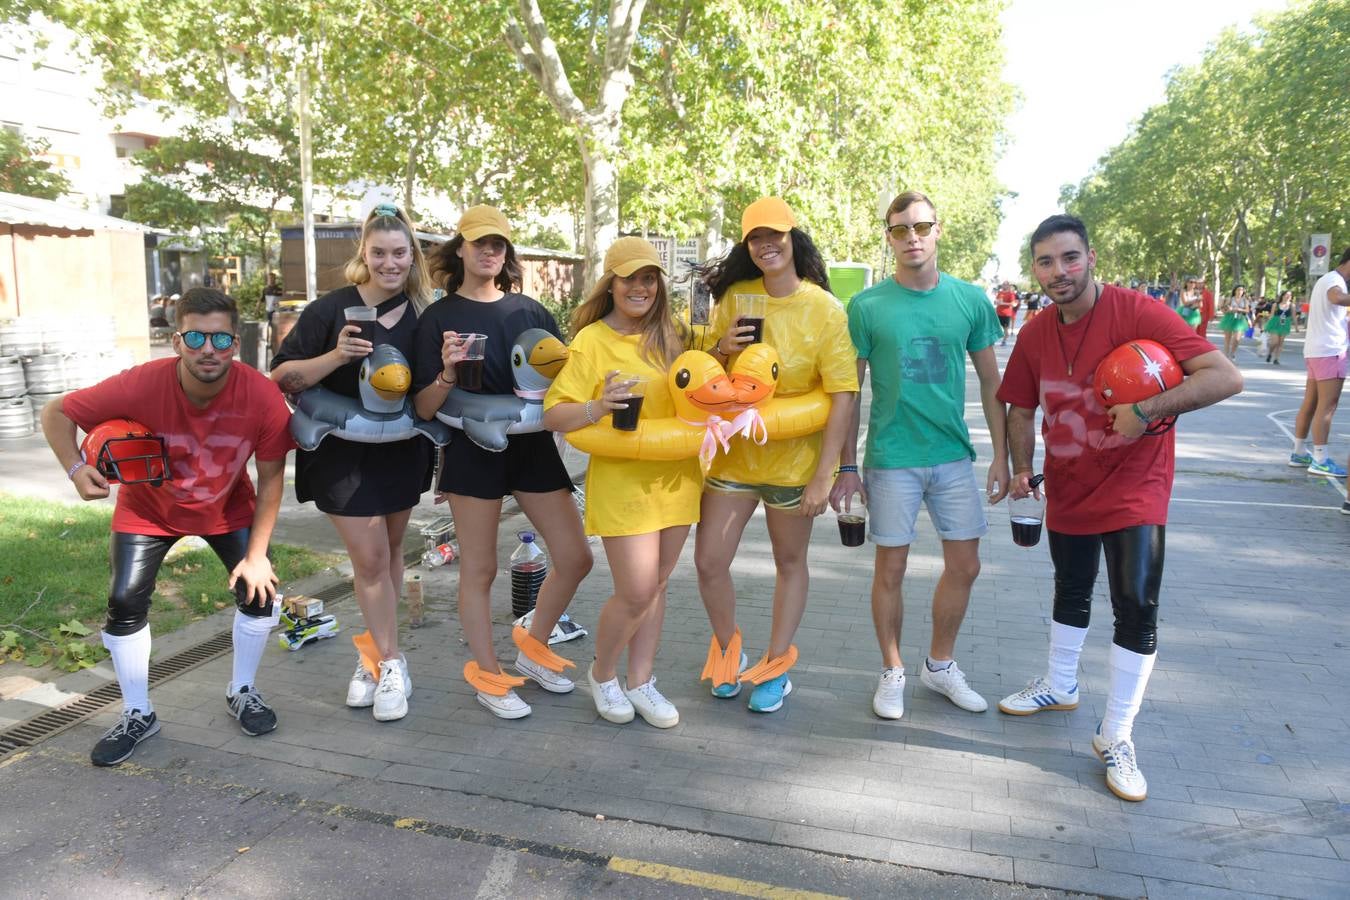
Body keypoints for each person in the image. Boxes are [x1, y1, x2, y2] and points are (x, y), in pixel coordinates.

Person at [996, 215, 1241, 802]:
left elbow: (1225, 376)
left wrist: (1149, 408)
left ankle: (1118, 733)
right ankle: (1059, 685)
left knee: (1135, 602)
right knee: (1070, 587)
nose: (1059, 272)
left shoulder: (1137, 312)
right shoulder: (1034, 333)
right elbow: (1021, 409)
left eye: (1070, 258)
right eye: (1046, 262)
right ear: (1035, 269)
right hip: (1070, 484)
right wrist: (1020, 468)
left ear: (1091, 257)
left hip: (1137, 485)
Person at [39, 288, 294, 766]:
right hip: (149, 510)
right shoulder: (140, 384)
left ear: (235, 343)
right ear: (177, 341)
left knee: (262, 592)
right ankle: (138, 712)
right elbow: (56, 413)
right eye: (195, 337)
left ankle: (242, 690)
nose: (208, 350)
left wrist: (257, 556)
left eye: (220, 339)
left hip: (228, 508)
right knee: (124, 601)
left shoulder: (261, 395)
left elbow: (273, 478)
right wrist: (76, 470)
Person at [830, 190, 1009, 721]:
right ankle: (892, 671)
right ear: (888, 237)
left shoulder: (970, 301)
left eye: (921, 227)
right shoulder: (866, 306)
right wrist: (845, 467)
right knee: (892, 567)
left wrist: (1003, 457)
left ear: (938, 230)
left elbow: (992, 381)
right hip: (891, 460)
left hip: (953, 457)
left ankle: (940, 664)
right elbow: (848, 393)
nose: (912, 238)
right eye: (900, 229)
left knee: (966, 565)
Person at [413, 205, 592, 720]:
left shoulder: (531, 312)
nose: (490, 251)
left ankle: (533, 650)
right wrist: (447, 372)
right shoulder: (439, 318)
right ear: (461, 249)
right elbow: (425, 408)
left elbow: (561, 387)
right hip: (472, 449)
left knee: (576, 557)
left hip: (533, 448)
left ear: (506, 252)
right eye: (480, 243)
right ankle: (489, 676)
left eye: (498, 244)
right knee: (481, 568)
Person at [270, 205, 435, 723]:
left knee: (388, 556)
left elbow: (434, 395)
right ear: (364, 252)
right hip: (341, 457)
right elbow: (282, 377)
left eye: (399, 253)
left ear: (412, 257)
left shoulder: (423, 314)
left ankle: (375, 659)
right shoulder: (329, 309)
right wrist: (337, 356)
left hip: (403, 454)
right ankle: (389, 663)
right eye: (379, 252)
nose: (389, 262)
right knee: (368, 561)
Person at [695, 197, 858, 713]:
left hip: (794, 463)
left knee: (790, 563)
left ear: (793, 239)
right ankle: (727, 650)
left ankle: (776, 666)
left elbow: (844, 395)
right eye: (756, 238)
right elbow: (702, 376)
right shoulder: (737, 298)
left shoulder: (825, 310)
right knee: (708, 561)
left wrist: (825, 475)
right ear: (747, 246)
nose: (767, 245)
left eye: (776, 235)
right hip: (734, 459)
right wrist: (720, 347)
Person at [543, 238, 697, 728]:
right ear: (610, 283)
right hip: (623, 483)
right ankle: (603, 673)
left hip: (677, 478)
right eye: (630, 277)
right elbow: (555, 414)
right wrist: (599, 405)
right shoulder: (590, 341)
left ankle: (642, 681)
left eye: (649, 278)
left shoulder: (674, 333)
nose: (640, 287)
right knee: (635, 590)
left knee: (658, 586)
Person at [1288, 247, 1350, 477]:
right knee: (1327, 406)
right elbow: (1337, 298)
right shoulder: (1335, 282)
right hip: (1330, 351)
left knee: (1311, 403)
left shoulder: (1327, 278)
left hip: (1315, 350)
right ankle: (1321, 459)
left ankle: (1299, 452)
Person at [1219, 284, 1251, 361]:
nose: (1240, 291)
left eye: (1242, 290)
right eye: (1238, 290)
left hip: (1240, 320)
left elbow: (1247, 311)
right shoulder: (1230, 299)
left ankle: (1232, 353)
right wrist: (1228, 309)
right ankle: (1226, 355)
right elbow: (1223, 309)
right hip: (1229, 318)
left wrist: (1238, 309)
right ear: (1235, 291)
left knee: (1237, 339)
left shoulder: (1245, 300)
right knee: (1227, 338)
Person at [1264, 292, 1294, 364]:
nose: (1288, 296)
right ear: (1283, 296)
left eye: (1290, 295)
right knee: (1275, 342)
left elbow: (1293, 316)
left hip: (1285, 325)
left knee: (1280, 342)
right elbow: (1271, 315)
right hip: (1275, 324)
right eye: (1286, 295)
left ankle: (1276, 359)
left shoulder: (1291, 305)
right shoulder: (1275, 305)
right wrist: (1267, 325)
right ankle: (1270, 353)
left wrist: (1296, 327)